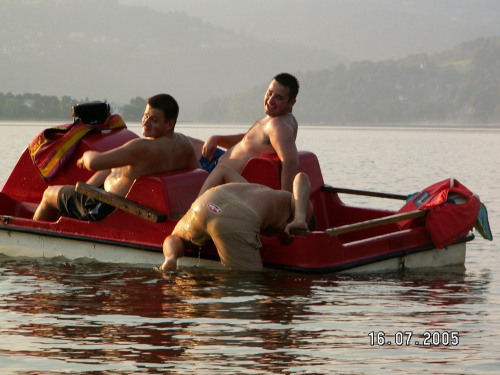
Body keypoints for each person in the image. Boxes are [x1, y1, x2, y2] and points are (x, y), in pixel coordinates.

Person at [33, 94, 200, 222]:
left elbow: (94, 163)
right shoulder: (184, 144)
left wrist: (86, 155)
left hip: (109, 208)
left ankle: (34, 239)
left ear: (169, 124)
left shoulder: (141, 148)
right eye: (145, 116)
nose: (145, 122)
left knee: (48, 194)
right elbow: (198, 175)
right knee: (111, 168)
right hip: (142, 202)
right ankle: (77, 199)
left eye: (154, 120)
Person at [159, 164, 313, 272]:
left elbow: (222, 170)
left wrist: (195, 206)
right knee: (248, 282)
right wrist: (300, 218)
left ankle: (170, 258)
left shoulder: (254, 190)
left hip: (207, 201)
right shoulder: (299, 205)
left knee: (175, 236)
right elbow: (301, 177)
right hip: (239, 217)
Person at [188, 72, 300, 192]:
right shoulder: (275, 120)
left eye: (278, 97)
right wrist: (217, 139)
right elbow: (249, 140)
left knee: (181, 145)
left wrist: (285, 199)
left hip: (218, 176)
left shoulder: (279, 126)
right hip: (217, 161)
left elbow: (291, 162)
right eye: (269, 93)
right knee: (188, 142)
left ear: (291, 103)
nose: (270, 100)